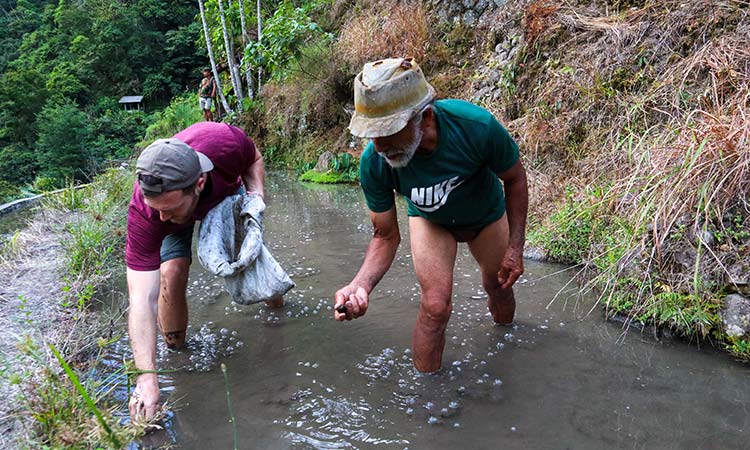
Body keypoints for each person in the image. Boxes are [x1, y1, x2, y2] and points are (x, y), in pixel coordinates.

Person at [334, 57, 528, 373]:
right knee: (435, 306)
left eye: (388, 131)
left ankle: (506, 346)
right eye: (372, 134)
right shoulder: (374, 162)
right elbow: (384, 235)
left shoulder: (475, 127)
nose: (379, 146)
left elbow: (515, 178)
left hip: (486, 215)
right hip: (430, 221)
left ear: (424, 118)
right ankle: (428, 399)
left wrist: (515, 247)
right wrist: (360, 286)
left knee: (498, 286)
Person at [126, 121, 283, 421]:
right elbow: (141, 298)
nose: (161, 216)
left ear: (199, 183)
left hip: (225, 198)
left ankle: (277, 313)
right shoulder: (148, 212)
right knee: (171, 271)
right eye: (155, 208)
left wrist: (256, 199)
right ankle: (178, 350)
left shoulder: (224, 143)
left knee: (251, 255)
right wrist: (147, 377)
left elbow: (254, 159)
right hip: (182, 207)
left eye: (167, 208)